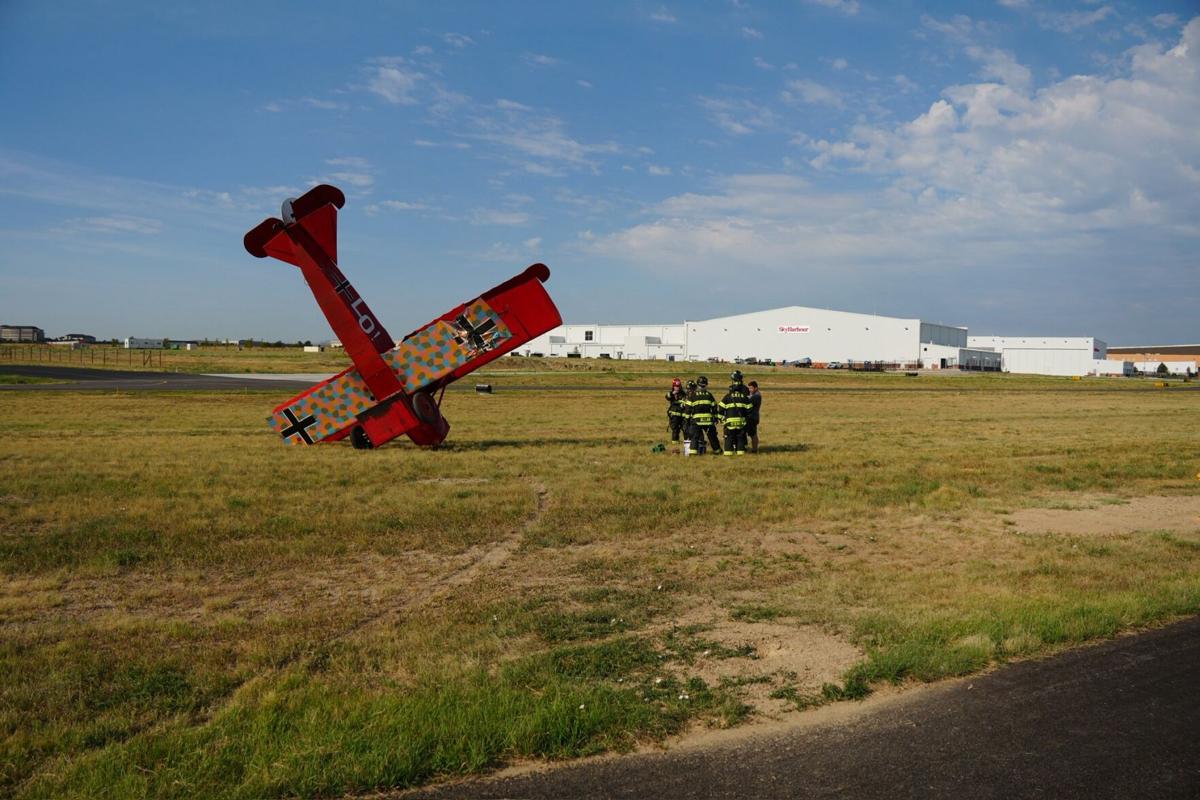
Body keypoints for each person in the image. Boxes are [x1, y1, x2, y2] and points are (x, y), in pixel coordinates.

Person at [718, 370, 753, 456]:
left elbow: (721, 408)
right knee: (741, 437)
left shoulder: (728, 396)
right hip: (741, 420)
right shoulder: (745, 391)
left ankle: (729, 454)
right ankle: (741, 453)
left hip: (730, 421)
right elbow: (749, 408)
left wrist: (721, 419)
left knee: (729, 438)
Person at [686, 375, 721, 455]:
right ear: (706, 385)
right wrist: (715, 418)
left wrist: (687, 419)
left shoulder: (693, 396)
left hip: (696, 421)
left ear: (697, 385)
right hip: (708, 421)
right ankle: (718, 451)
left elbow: (688, 409)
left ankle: (693, 453)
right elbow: (714, 408)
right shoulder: (709, 395)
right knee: (712, 437)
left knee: (695, 437)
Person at [665, 377, 687, 445]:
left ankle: (687, 444)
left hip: (682, 416)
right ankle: (675, 445)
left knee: (685, 430)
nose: (677, 387)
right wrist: (672, 393)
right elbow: (667, 397)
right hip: (674, 416)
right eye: (676, 386)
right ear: (673, 386)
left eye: (678, 386)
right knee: (675, 430)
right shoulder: (671, 394)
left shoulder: (683, 394)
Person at [746, 380, 762, 453]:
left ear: (756, 388)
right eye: (749, 388)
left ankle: (754, 449)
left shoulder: (756, 396)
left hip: (752, 417)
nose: (750, 390)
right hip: (751, 417)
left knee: (753, 434)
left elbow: (748, 402)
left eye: (751, 388)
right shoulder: (752, 395)